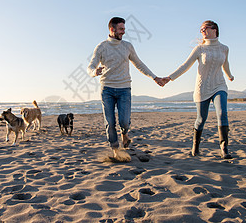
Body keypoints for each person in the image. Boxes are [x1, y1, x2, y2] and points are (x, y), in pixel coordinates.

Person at [87, 17, 165, 161]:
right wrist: (94, 72)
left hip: (124, 89)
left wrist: (154, 77)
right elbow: (91, 66)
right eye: (121, 29)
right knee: (109, 122)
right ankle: (116, 150)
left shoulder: (127, 46)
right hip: (107, 89)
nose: (124, 32)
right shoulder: (102, 47)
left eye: (124, 28)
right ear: (112, 29)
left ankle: (125, 133)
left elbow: (139, 64)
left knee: (124, 121)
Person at [162, 20, 234, 159]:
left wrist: (230, 76)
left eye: (204, 29)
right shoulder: (200, 49)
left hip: (220, 85)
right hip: (202, 88)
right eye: (201, 30)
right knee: (201, 119)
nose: (202, 32)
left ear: (214, 30)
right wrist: (169, 78)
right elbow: (185, 66)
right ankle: (195, 146)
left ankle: (224, 148)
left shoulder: (224, 48)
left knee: (222, 113)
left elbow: (225, 64)